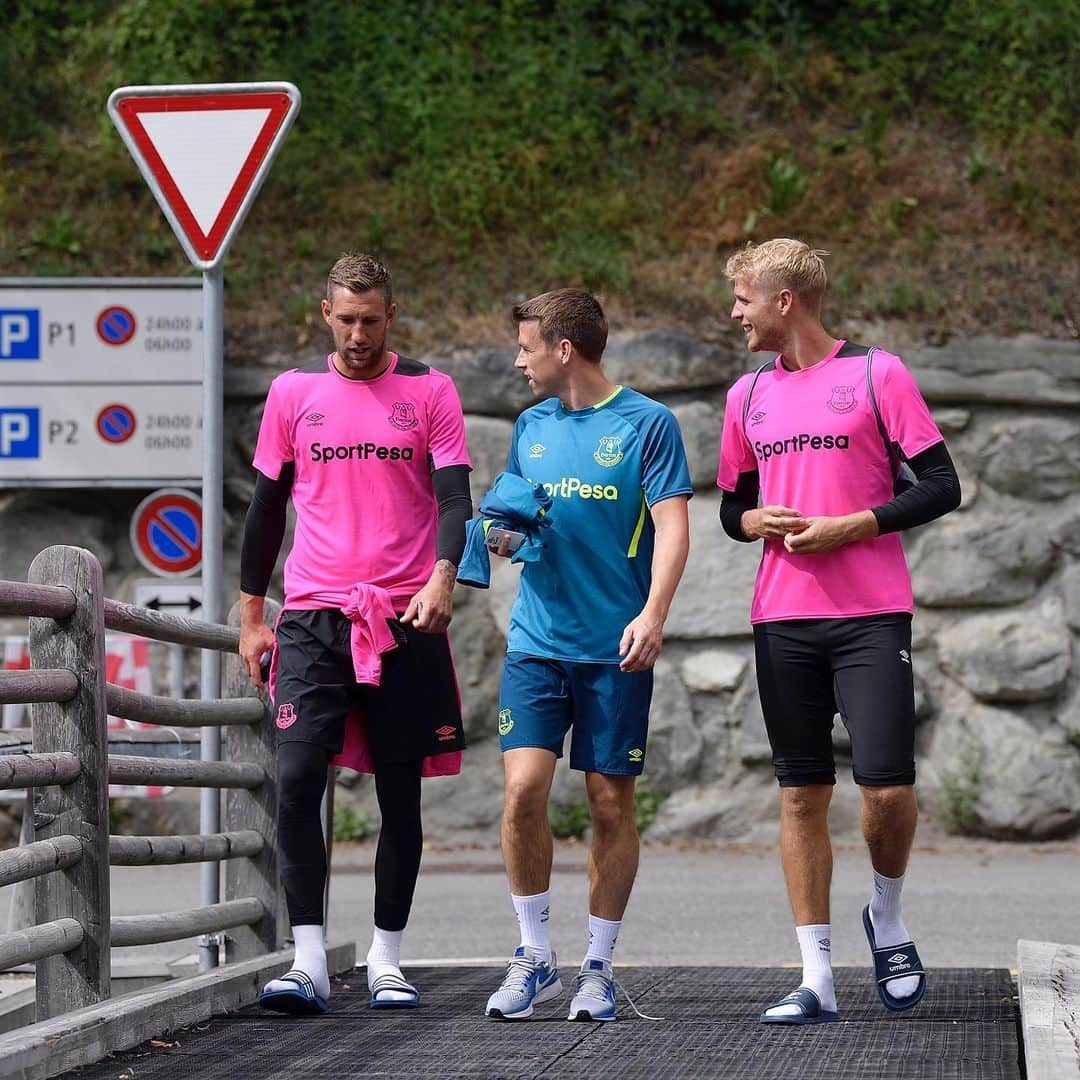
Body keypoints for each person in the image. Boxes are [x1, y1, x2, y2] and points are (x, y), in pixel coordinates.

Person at [716, 239, 961, 1024]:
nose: (735, 313)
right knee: (801, 795)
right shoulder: (745, 397)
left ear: (785, 301)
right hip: (781, 618)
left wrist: (857, 523)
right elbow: (731, 508)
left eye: (744, 299)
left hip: (869, 616)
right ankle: (814, 974)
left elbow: (943, 485)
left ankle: (886, 917)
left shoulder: (875, 373)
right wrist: (752, 518)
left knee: (887, 788)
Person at [238, 252, 472, 1014]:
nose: (359, 334)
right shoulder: (293, 393)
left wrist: (443, 575)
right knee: (299, 776)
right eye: (346, 319)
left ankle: (386, 958)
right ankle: (307, 959)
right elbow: (267, 508)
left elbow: (454, 498)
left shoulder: (429, 389)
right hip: (310, 616)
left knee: (399, 794)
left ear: (390, 317)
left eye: (371, 320)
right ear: (325, 314)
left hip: (404, 615)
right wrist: (250, 616)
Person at [482, 289, 692, 1022]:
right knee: (522, 793)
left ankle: (597, 967)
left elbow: (672, 527)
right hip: (538, 642)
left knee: (608, 802)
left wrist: (654, 613)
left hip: (616, 648)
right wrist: (502, 538)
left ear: (563, 349)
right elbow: (514, 525)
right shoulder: (530, 425)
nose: (518, 360)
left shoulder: (648, 424)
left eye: (526, 346)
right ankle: (534, 955)